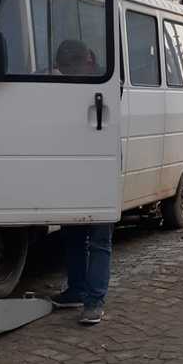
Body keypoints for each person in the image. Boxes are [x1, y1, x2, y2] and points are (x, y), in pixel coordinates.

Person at [50, 37, 112, 325]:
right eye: (63, 70)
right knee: (73, 234)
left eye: (70, 69)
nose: (68, 75)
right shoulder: (65, 85)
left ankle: (95, 300)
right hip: (72, 166)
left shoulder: (108, 80)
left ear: (87, 60)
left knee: (99, 238)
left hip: (101, 166)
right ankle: (76, 290)